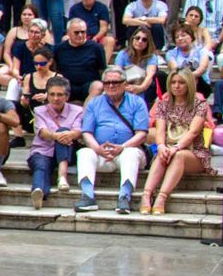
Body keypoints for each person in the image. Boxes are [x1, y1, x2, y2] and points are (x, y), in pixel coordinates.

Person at [74, 67, 150, 214]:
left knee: (130, 153)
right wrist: (97, 149)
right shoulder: (94, 103)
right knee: (84, 153)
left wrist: (122, 147)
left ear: (125, 84)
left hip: (127, 151)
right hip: (102, 153)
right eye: (107, 82)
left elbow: (142, 134)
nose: (111, 85)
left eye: (115, 82)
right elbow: (87, 132)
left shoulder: (137, 102)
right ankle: (87, 196)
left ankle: (124, 197)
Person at [139, 69, 212, 215]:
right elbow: (160, 131)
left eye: (181, 82)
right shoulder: (162, 104)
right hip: (169, 147)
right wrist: (161, 146)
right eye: (173, 82)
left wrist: (177, 147)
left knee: (177, 155)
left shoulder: (200, 104)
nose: (176, 86)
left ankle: (162, 197)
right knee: (162, 154)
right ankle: (146, 195)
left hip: (194, 152)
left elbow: (193, 132)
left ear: (189, 84)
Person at [28, 77, 82, 206]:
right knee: (41, 165)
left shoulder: (77, 111)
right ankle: (38, 192)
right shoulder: (39, 111)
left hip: (68, 153)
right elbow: (42, 132)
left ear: (67, 96)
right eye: (52, 94)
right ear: (47, 96)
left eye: (60, 95)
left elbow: (78, 131)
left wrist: (68, 134)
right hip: (44, 150)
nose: (56, 98)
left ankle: (62, 176)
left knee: (65, 131)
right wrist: (57, 136)